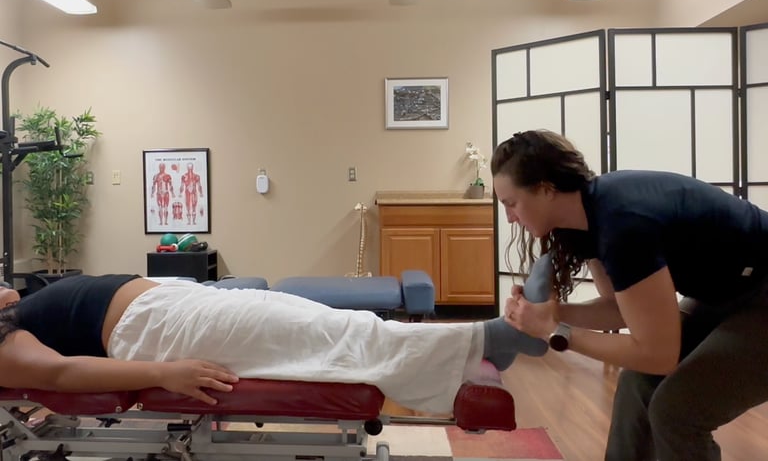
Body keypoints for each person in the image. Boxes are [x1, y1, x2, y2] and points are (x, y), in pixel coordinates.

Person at [494, 129, 768, 461]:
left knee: (676, 412)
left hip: (759, 292)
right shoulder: (587, 219)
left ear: (546, 189)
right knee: (636, 386)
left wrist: (556, 332)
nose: (510, 217)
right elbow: (620, 310)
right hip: (728, 291)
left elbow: (658, 354)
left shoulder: (622, 224)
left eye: (512, 203)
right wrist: (552, 313)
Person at [0, 269, 551, 414]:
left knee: (318, 320)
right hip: (154, 333)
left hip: (168, 304)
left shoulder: (11, 308)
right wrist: (162, 374)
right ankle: (486, 340)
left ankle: (476, 343)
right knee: (324, 338)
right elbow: (57, 375)